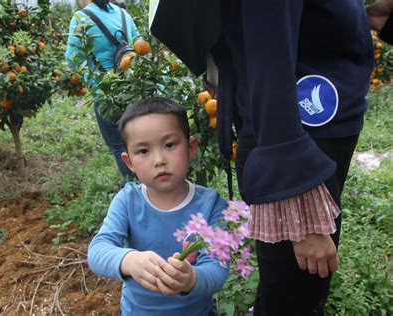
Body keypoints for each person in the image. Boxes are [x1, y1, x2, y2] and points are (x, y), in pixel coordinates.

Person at [151, 1, 374, 315]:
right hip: (292, 140)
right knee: (293, 298)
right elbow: (267, 53)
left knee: (300, 293)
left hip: (308, 134)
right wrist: (297, 194)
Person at [87, 97, 229, 315]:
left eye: (169, 145)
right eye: (143, 151)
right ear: (129, 162)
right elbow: (98, 250)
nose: (159, 160)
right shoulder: (127, 201)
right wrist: (129, 259)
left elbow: (217, 270)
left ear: (191, 148)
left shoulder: (211, 205)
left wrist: (191, 278)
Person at [65, 0, 139, 182]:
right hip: (133, 89)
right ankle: (147, 183)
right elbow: (140, 45)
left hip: (106, 94)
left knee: (118, 146)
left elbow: (72, 59)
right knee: (139, 142)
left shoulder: (81, 18)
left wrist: (92, 78)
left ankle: (134, 186)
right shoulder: (123, 14)